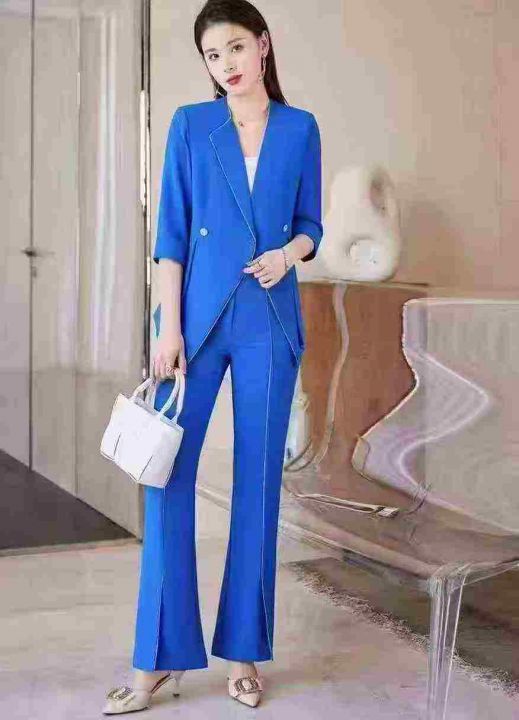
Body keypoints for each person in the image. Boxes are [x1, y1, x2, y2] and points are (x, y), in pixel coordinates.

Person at [103, 0, 322, 713]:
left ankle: (244, 653)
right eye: (212, 55)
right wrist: (166, 327)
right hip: (193, 325)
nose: (225, 64)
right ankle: (158, 659)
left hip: (269, 322)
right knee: (166, 480)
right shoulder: (191, 125)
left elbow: (311, 224)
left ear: (263, 45)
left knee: (257, 487)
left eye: (235, 47)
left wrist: (289, 255)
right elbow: (170, 234)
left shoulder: (299, 128)